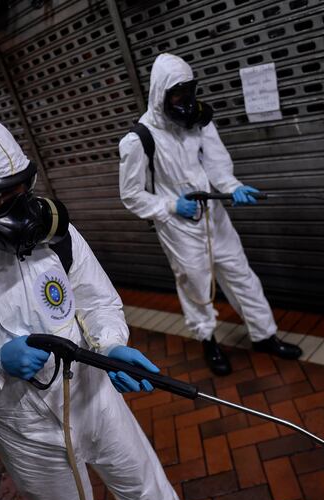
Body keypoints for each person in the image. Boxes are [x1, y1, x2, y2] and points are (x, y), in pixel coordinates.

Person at [0, 111, 185, 500]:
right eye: (0, 196)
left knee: (152, 498)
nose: (20, 208)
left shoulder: (52, 235)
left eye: (23, 188)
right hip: (26, 433)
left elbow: (97, 300)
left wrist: (111, 343)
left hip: (96, 399)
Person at [118, 53, 302, 377]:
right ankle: (208, 339)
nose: (186, 103)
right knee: (196, 287)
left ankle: (264, 334)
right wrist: (172, 206)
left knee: (241, 275)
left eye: (188, 93)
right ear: (161, 94)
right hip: (179, 227)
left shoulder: (199, 122)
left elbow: (217, 164)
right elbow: (131, 195)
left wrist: (234, 187)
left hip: (214, 216)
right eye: (177, 95)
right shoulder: (139, 140)